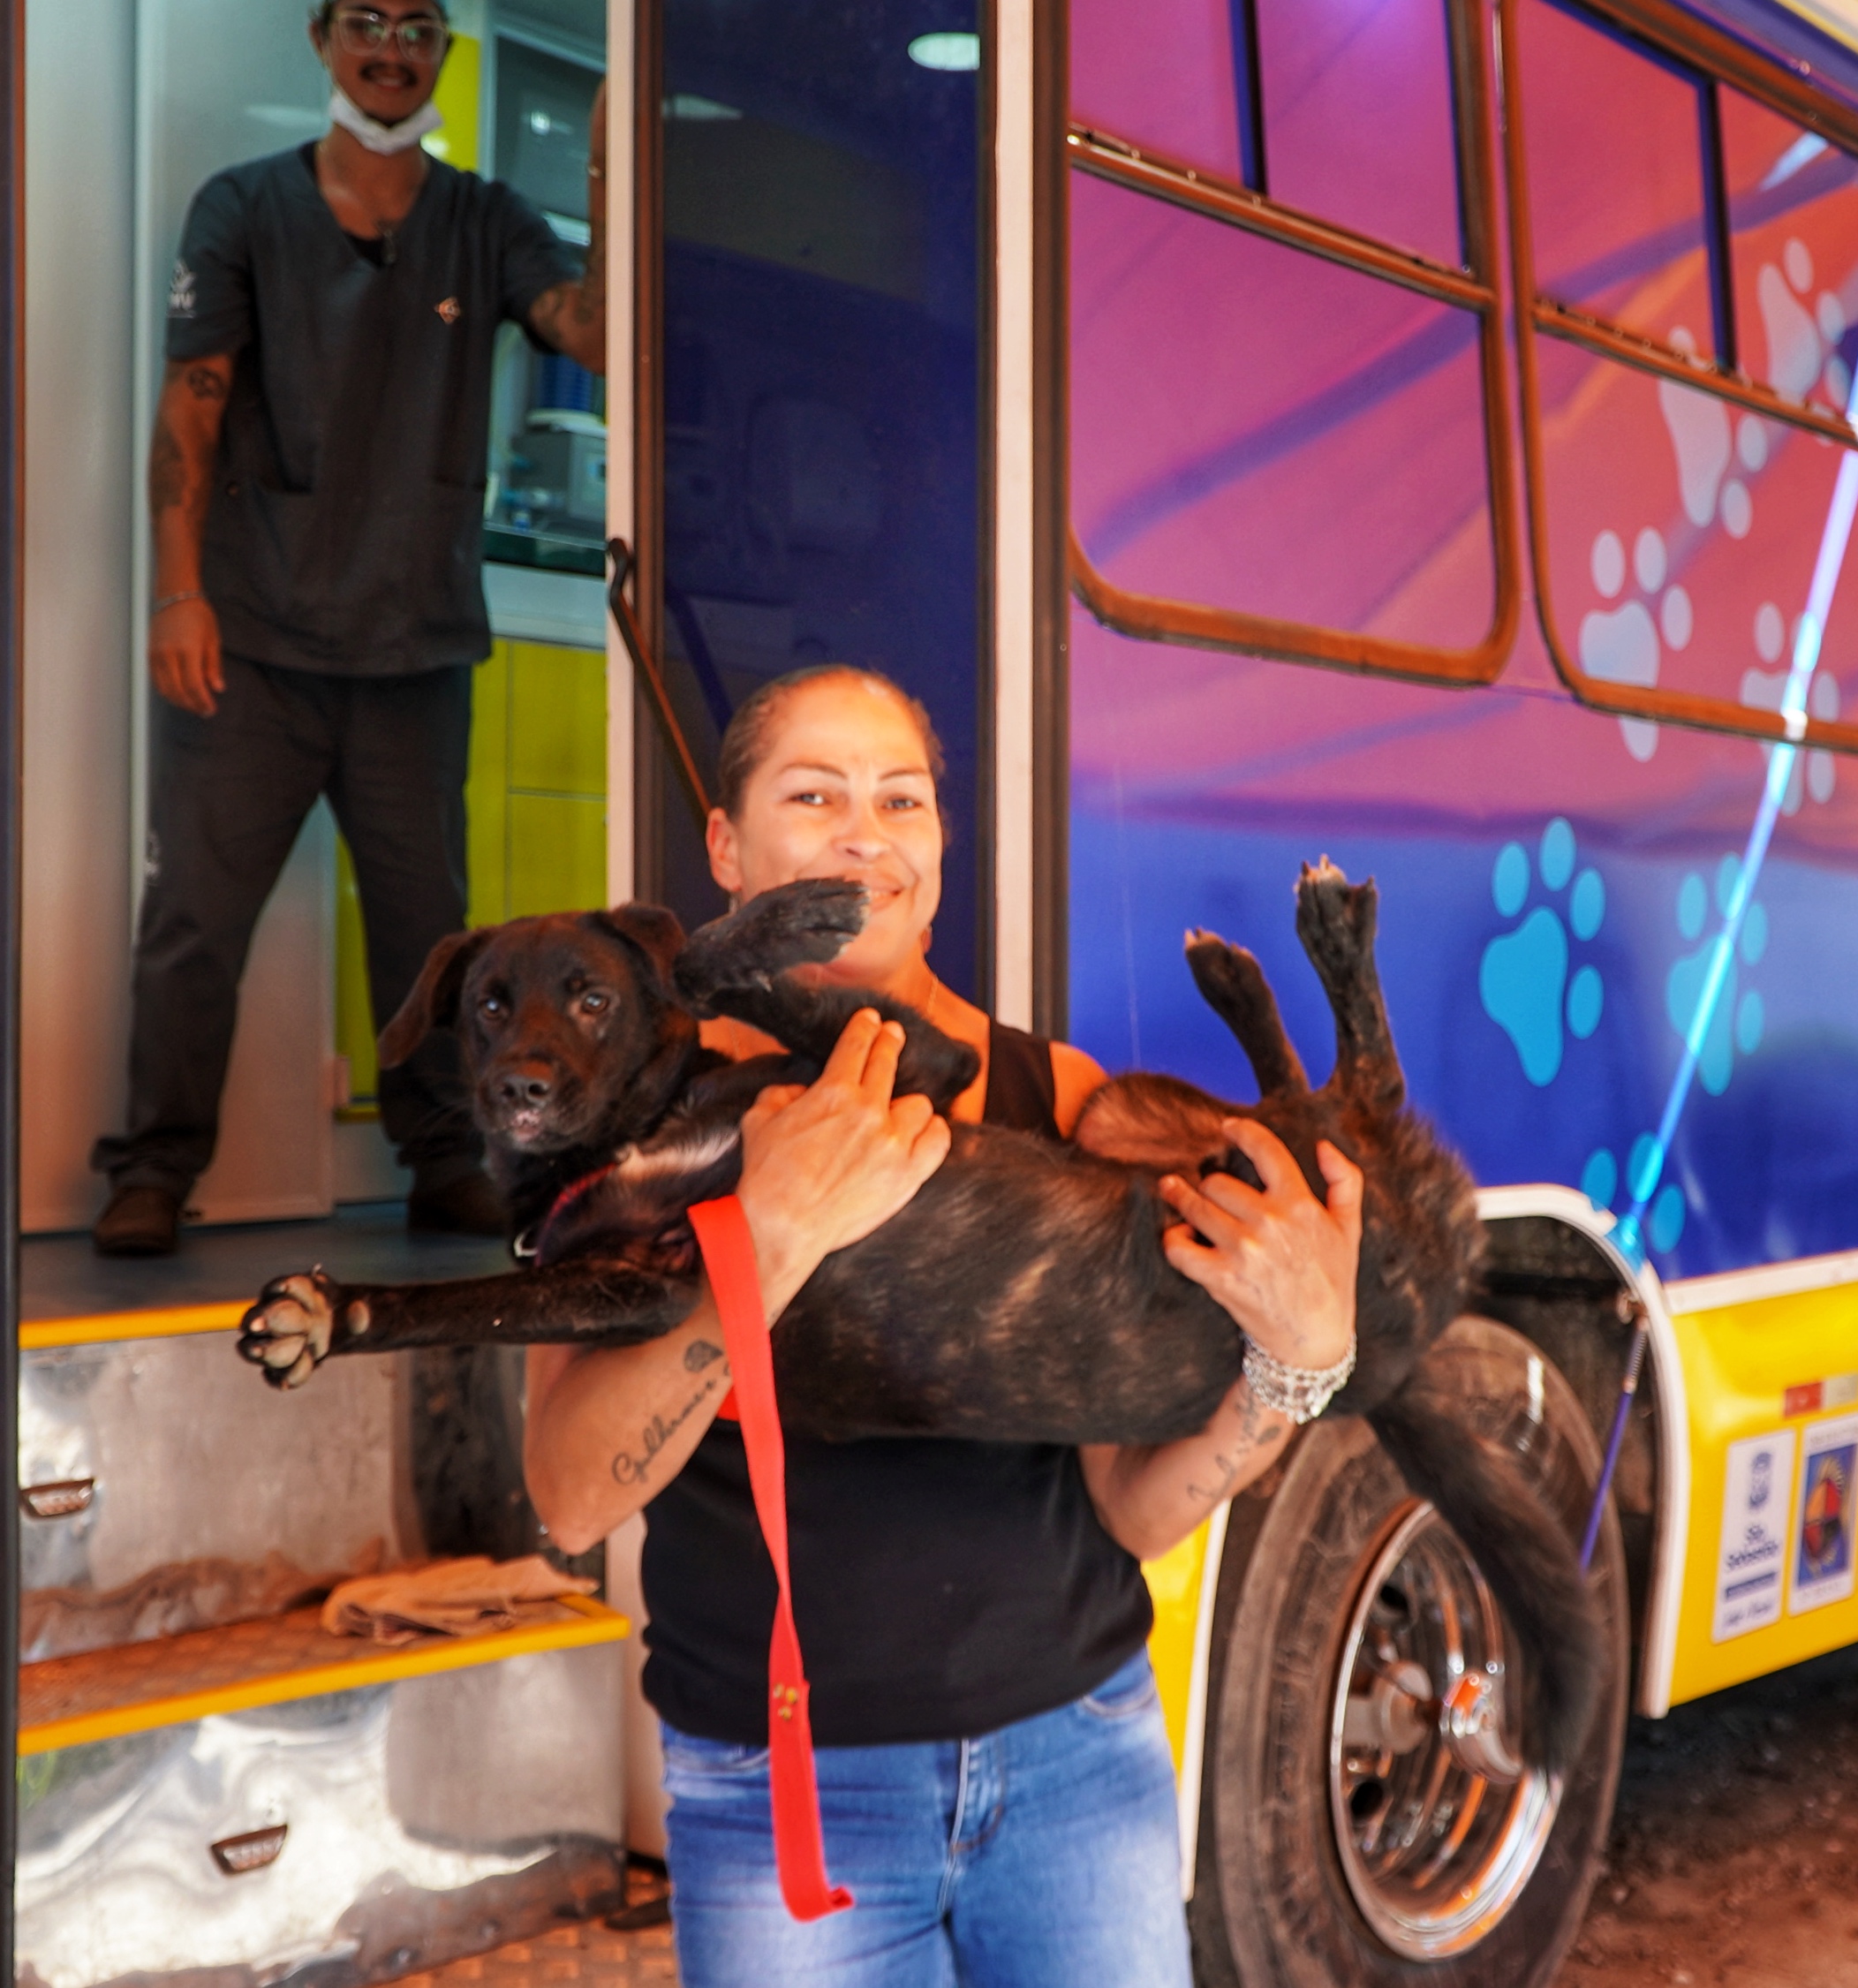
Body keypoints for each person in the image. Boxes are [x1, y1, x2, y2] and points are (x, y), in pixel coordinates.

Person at [523, 666, 1365, 1984]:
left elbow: (1132, 1512)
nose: (865, 835)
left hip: (1081, 1761)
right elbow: (572, 1498)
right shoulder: (637, 1118)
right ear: (727, 849)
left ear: (938, 853)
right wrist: (771, 1238)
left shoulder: (1060, 1096)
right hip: (790, 1794)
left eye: (901, 801)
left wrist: (1293, 1366)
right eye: (815, 797)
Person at [91, 0, 604, 1255]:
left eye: (419, 28)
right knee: (192, 924)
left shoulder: (486, 222)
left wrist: (615, 169)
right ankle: (152, 1170)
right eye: (368, 22)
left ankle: (444, 1163)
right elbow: (191, 411)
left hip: (416, 648)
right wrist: (177, 593)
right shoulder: (242, 209)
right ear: (322, 37)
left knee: (431, 943)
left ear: (443, 53)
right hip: (250, 644)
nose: (392, 49)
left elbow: (586, 332)